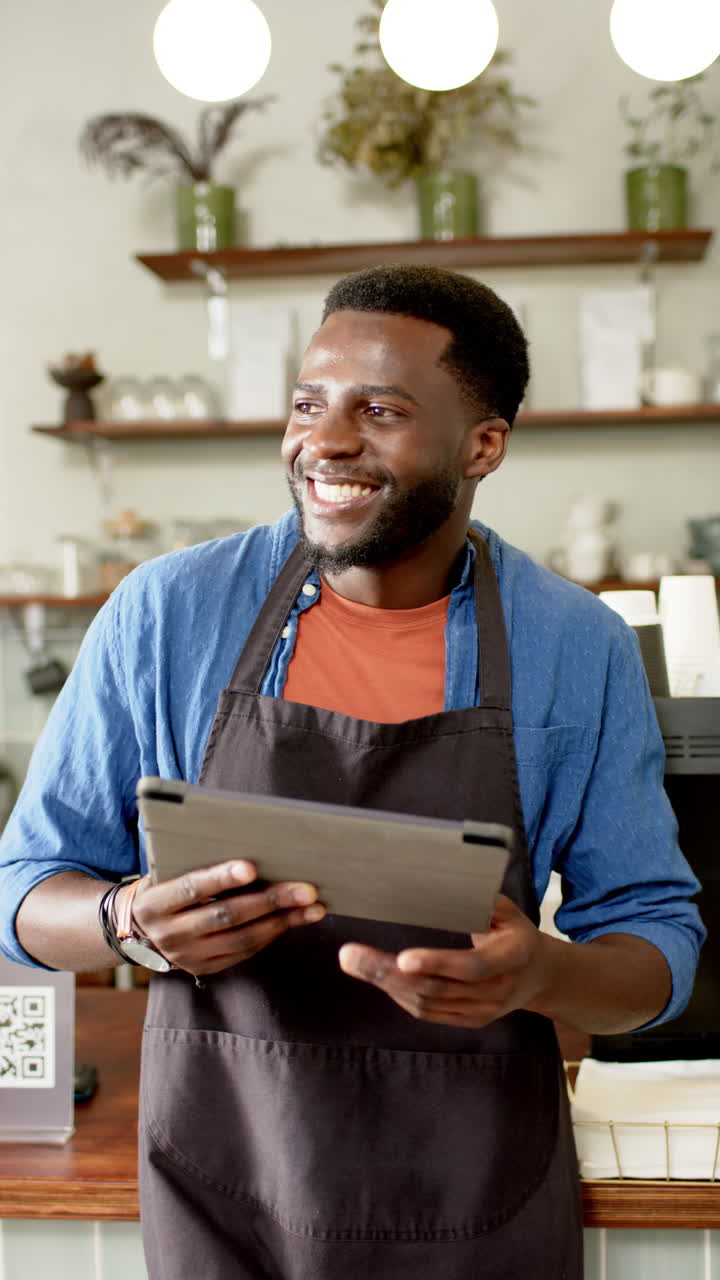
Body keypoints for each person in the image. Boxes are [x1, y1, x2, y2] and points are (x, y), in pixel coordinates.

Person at [0, 265, 703, 1280]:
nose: (324, 442)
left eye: (380, 410)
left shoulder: (574, 641)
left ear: (483, 443)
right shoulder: (167, 612)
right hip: (226, 1173)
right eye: (307, 404)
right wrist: (130, 920)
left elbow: (657, 945)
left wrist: (543, 973)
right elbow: (24, 890)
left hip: (477, 1186)